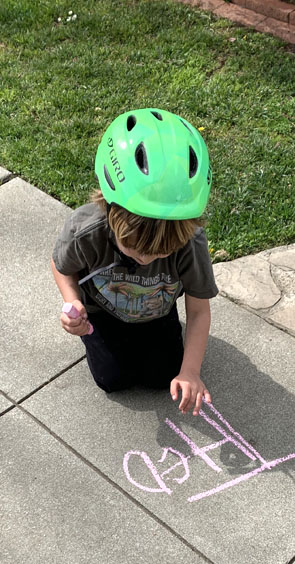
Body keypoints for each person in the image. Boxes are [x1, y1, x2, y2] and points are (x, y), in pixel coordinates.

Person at [51, 108, 218, 416]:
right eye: (134, 248)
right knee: (112, 379)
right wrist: (73, 304)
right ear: (110, 208)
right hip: (100, 314)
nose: (146, 258)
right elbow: (62, 266)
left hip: (156, 314)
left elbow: (198, 311)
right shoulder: (85, 231)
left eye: (161, 253)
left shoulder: (189, 242)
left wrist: (191, 371)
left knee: (163, 377)